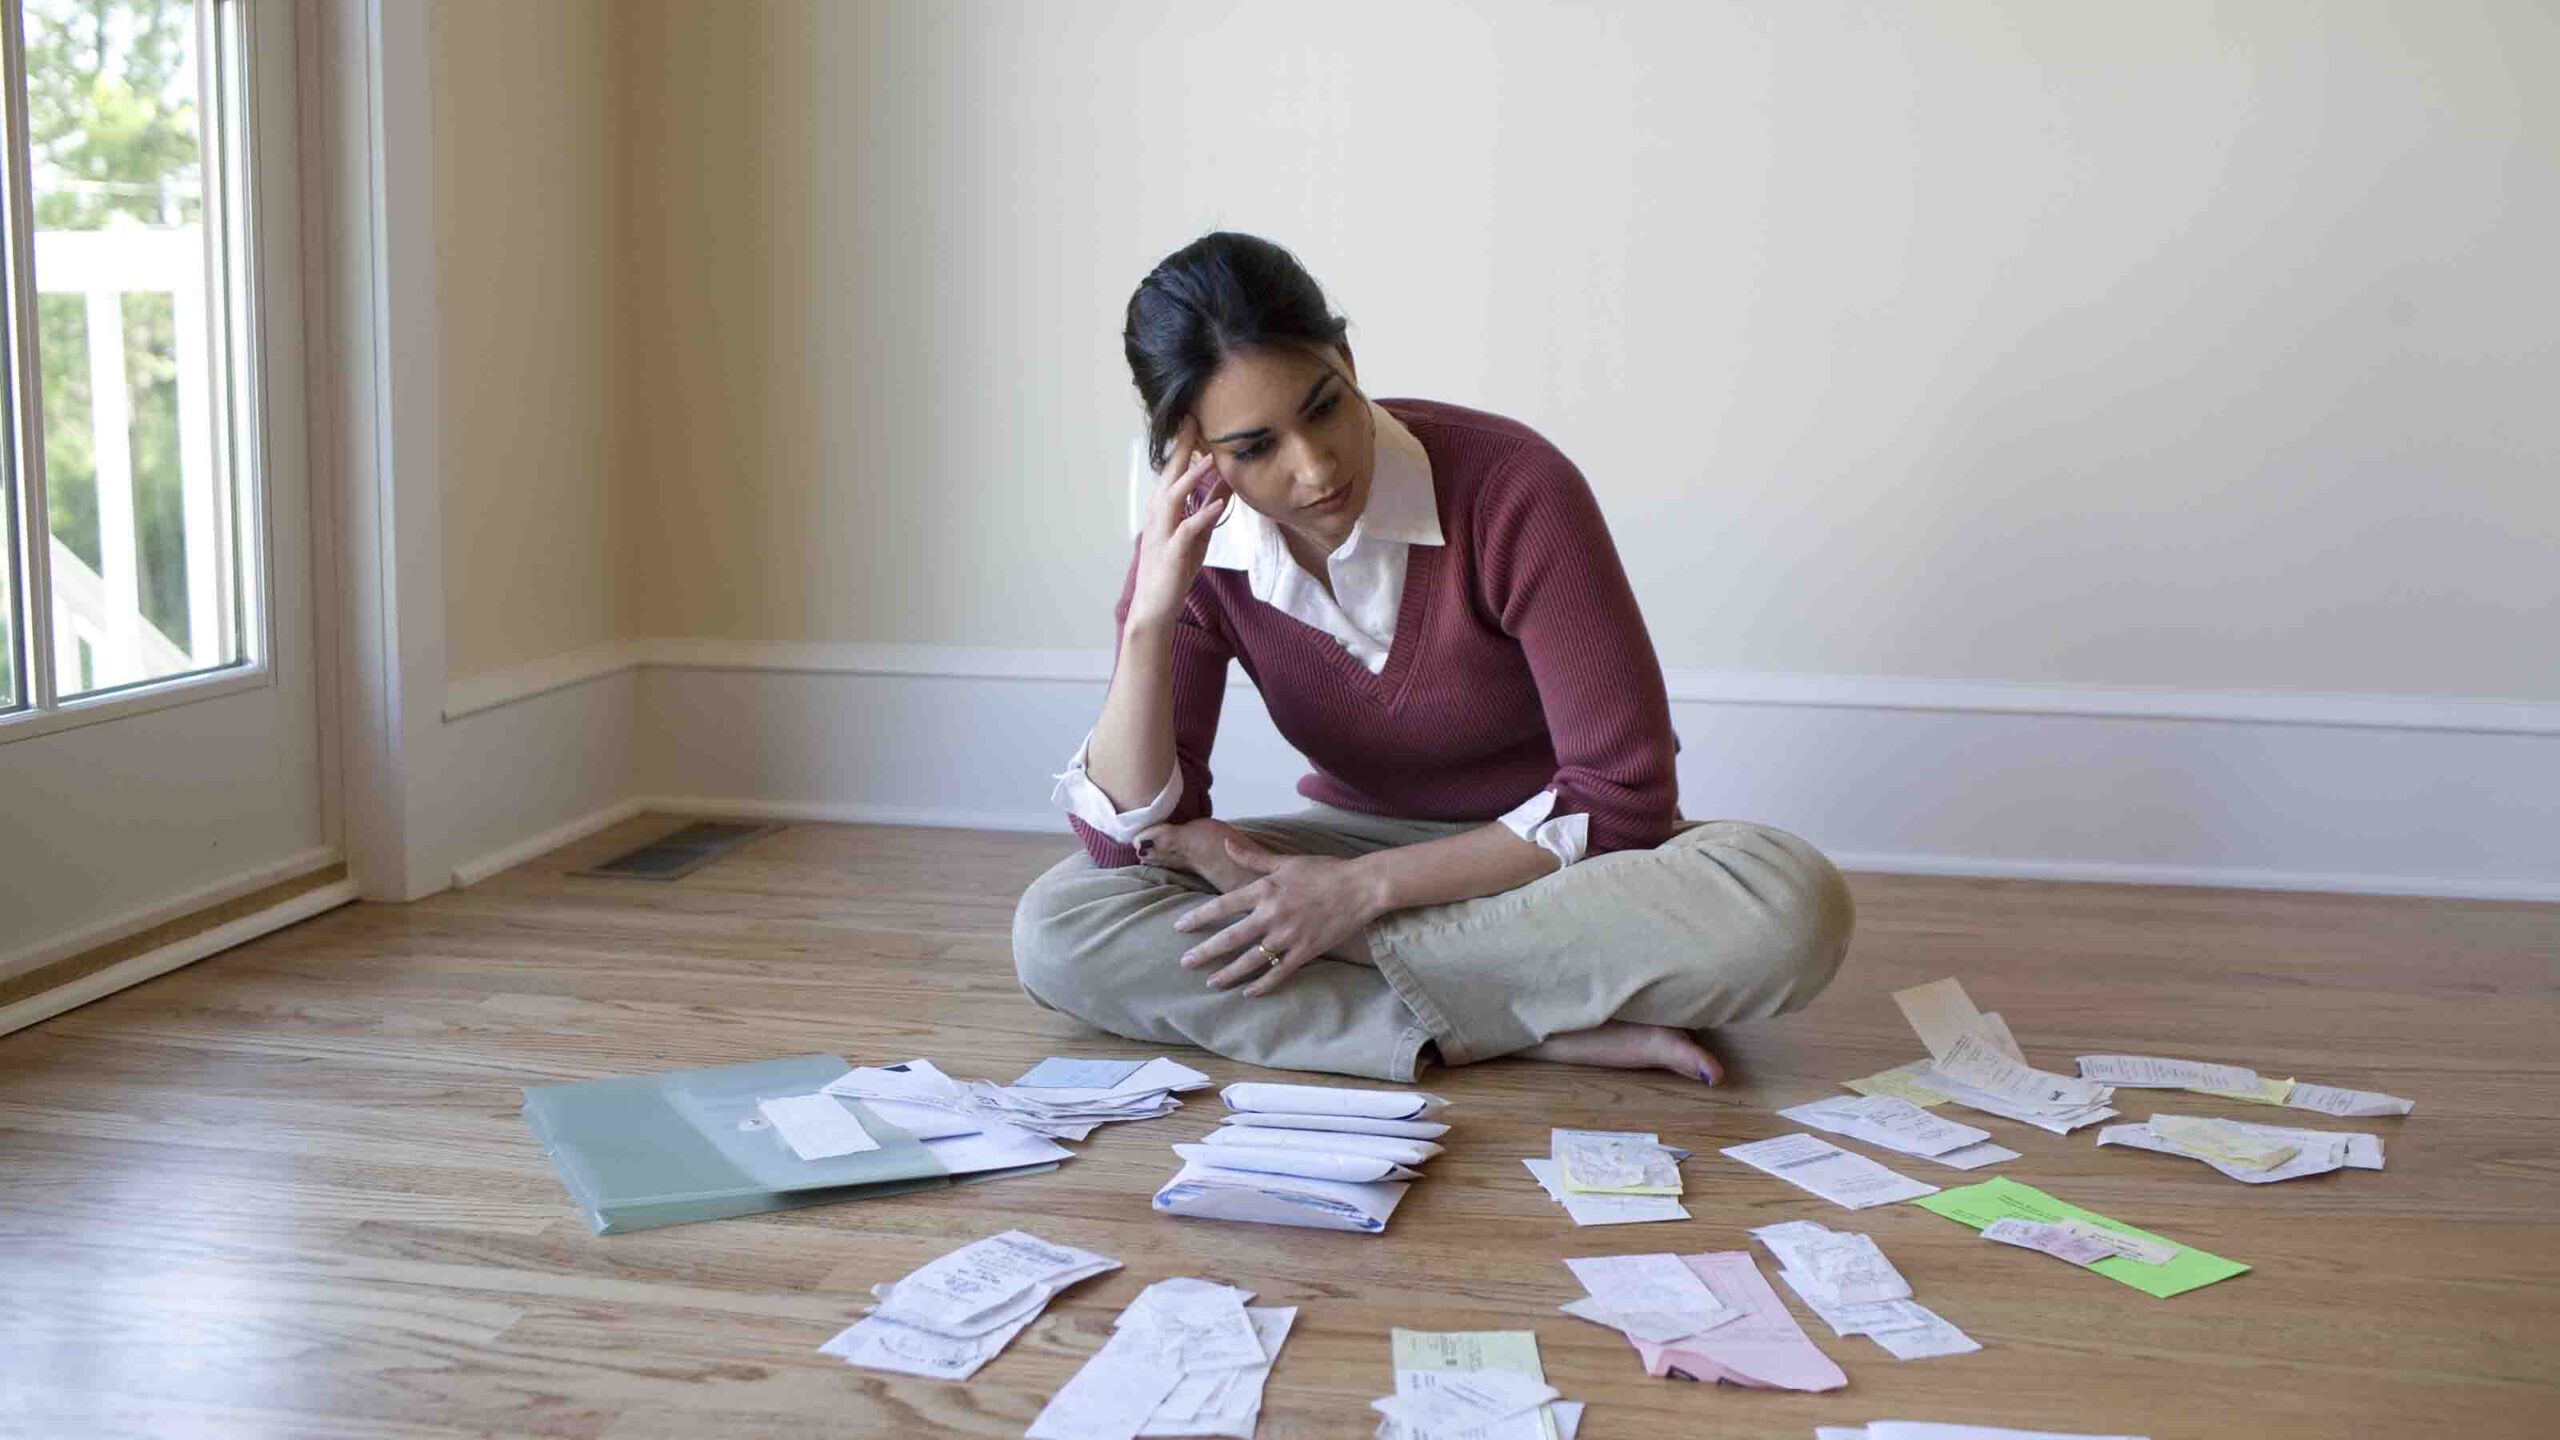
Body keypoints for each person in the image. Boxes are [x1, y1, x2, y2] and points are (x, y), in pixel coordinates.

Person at [1011, 232, 1851, 1084]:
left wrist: (1362, 896)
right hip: (1347, 846)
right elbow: (1130, 842)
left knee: (1783, 906)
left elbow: (1624, 800)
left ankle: (1405, 996)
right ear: (1193, 452)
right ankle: (1522, 1022)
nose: (1314, 467)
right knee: (1063, 924)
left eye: (1324, 406)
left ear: (1346, 357)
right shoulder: (1195, 549)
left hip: (1552, 864)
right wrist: (1152, 617)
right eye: (1255, 448)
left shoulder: (1513, 485)